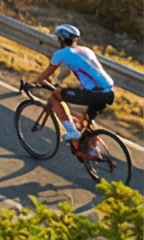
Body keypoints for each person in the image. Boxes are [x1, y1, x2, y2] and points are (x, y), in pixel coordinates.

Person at [29, 24, 119, 160]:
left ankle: (72, 131)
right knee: (86, 117)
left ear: (61, 39)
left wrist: (35, 82)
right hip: (109, 91)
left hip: (94, 92)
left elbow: (45, 75)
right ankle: (93, 149)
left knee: (56, 96)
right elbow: (87, 72)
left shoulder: (61, 53)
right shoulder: (86, 51)